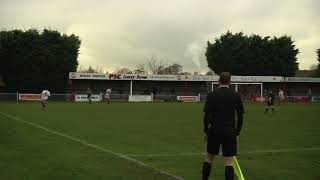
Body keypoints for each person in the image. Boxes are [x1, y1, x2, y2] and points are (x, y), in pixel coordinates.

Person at [202, 72, 244, 180]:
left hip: (215, 130)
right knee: (229, 162)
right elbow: (240, 116)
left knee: (209, 158)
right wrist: (237, 132)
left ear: (218, 81)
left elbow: (207, 116)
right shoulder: (236, 95)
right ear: (230, 82)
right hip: (230, 131)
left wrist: (206, 131)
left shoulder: (212, 95)